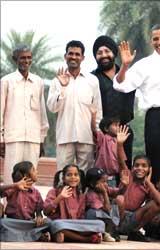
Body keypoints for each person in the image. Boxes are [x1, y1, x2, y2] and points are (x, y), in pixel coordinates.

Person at [113, 24, 160, 183]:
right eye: (156, 39)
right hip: (156, 118)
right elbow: (120, 85)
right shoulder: (143, 65)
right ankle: (157, 203)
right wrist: (125, 66)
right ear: (151, 42)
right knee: (156, 161)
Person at [47, 40, 102, 172]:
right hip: (65, 136)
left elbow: (98, 109)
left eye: (77, 54)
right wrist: (63, 88)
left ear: (82, 58)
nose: (73, 57)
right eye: (70, 53)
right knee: (63, 175)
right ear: (65, 56)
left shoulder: (92, 81)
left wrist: (97, 133)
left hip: (87, 137)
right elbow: (52, 108)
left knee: (86, 175)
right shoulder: (56, 81)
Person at [0, 45, 49, 185]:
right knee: (12, 177)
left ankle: (29, 206)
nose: (26, 61)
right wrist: (1, 138)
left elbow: (42, 112)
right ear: (15, 59)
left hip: (33, 138)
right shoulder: (6, 81)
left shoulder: (38, 82)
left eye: (28, 58)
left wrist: (41, 139)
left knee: (30, 177)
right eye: (22, 58)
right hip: (13, 137)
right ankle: (10, 207)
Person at [91, 35, 135, 168]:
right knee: (102, 173)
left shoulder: (128, 75)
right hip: (102, 134)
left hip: (124, 130)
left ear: (114, 53)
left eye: (107, 51)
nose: (104, 55)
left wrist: (126, 65)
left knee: (124, 171)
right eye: (99, 53)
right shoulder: (91, 78)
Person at [115, 130, 160, 242]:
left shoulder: (147, 185)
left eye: (144, 166)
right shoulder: (128, 175)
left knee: (155, 204)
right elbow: (121, 161)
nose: (140, 168)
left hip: (132, 218)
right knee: (120, 198)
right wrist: (119, 144)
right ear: (132, 167)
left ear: (149, 169)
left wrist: (148, 182)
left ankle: (135, 232)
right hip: (117, 216)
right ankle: (114, 229)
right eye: (137, 165)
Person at [44, 164, 105, 243]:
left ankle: (62, 236)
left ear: (79, 178)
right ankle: (86, 239)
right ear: (63, 178)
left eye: (76, 175)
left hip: (75, 225)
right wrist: (60, 197)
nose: (73, 177)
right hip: (61, 224)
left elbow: (81, 217)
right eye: (69, 175)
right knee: (54, 223)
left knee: (100, 224)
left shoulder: (81, 196)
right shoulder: (54, 191)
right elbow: (46, 211)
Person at [0, 161, 50, 242]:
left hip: (28, 223)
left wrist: (39, 217)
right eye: (34, 170)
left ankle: (21, 236)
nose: (37, 171)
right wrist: (15, 185)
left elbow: (39, 212)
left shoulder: (36, 193)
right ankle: (34, 236)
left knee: (48, 222)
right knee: (2, 222)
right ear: (26, 175)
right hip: (12, 223)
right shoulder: (13, 189)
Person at [85, 167, 129, 242]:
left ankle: (112, 231)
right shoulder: (91, 195)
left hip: (104, 216)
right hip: (94, 218)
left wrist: (125, 185)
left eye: (106, 181)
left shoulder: (104, 188)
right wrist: (105, 193)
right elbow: (107, 209)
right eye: (103, 182)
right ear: (92, 184)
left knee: (119, 199)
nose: (105, 184)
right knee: (95, 213)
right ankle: (105, 232)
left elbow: (119, 192)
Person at [91, 111, 129, 187]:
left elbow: (122, 160)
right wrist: (93, 116)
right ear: (106, 128)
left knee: (111, 194)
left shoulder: (118, 142)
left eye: (119, 125)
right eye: (115, 125)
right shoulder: (103, 138)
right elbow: (94, 130)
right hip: (99, 176)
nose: (118, 128)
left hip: (112, 177)